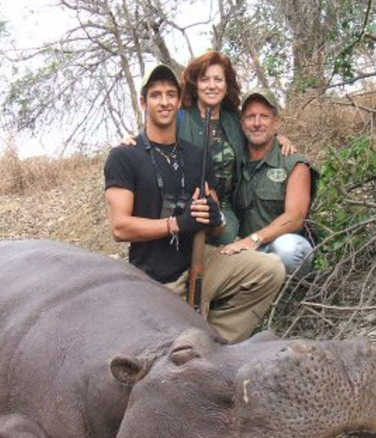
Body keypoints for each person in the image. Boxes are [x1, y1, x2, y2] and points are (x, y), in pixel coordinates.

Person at [105, 65, 285, 344]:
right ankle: (192, 347)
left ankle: (216, 343)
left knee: (270, 270)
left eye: (170, 94)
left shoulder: (197, 156)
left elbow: (212, 224)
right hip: (157, 279)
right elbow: (120, 227)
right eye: (155, 95)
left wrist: (214, 219)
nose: (164, 102)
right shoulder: (124, 156)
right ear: (143, 102)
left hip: (202, 263)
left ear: (179, 101)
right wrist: (176, 224)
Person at [120, 51, 296, 245]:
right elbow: (153, 137)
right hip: (186, 207)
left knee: (228, 239)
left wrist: (280, 138)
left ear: (226, 84)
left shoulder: (233, 120)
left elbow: (258, 129)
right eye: (205, 79)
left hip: (226, 212)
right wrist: (130, 141)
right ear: (196, 84)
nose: (212, 85)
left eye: (218, 79)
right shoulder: (180, 117)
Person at [218, 88, 317, 277]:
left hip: (273, 245)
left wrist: (255, 239)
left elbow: (295, 217)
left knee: (290, 249)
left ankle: (291, 296)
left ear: (276, 122)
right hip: (244, 249)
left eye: (264, 116)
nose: (257, 123)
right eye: (250, 117)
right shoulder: (234, 160)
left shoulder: (293, 162)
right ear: (242, 123)